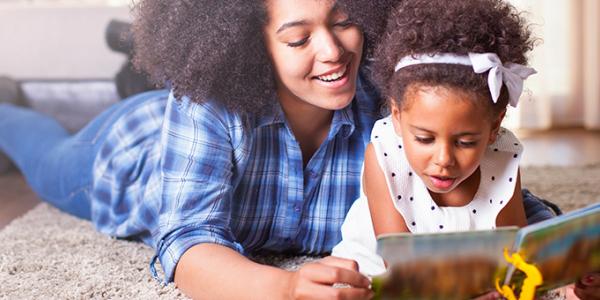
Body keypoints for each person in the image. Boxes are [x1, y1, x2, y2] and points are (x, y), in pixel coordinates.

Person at [0, 0, 568, 299]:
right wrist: (286, 286)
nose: (332, 51)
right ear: (254, 46)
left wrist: (567, 256)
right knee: (38, 146)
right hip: (130, 151)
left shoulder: (394, 104)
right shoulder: (208, 107)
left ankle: (119, 70)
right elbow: (185, 240)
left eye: (344, 22)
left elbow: (486, 193)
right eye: (298, 38)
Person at [331, 0, 599, 298]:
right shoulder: (382, 154)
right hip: (393, 268)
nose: (443, 160)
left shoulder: (502, 155)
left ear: (494, 127)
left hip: (479, 260)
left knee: (547, 247)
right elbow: (399, 265)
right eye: (424, 139)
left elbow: (515, 253)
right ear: (396, 115)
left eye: (466, 142)